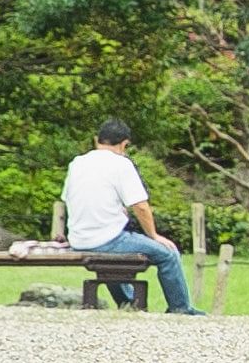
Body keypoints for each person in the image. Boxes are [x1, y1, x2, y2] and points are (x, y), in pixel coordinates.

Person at [56, 118, 194, 313]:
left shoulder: (77, 163)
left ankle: (129, 304)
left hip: (78, 239)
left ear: (97, 140)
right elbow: (141, 206)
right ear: (124, 144)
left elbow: (70, 198)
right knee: (168, 254)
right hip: (107, 239)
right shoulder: (121, 164)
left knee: (112, 258)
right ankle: (181, 309)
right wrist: (154, 236)